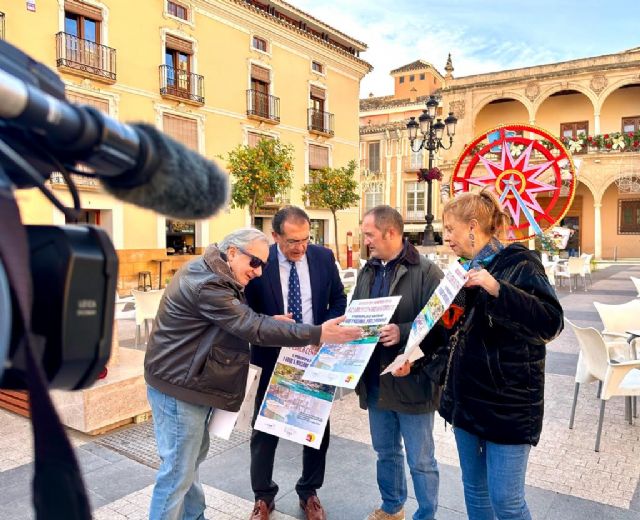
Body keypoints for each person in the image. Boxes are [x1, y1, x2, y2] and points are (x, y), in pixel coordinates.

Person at [144, 228, 362, 520]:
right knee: (178, 472)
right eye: (255, 263)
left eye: (264, 264)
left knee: (188, 465)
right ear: (232, 252)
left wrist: (266, 321)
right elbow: (251, 326)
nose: (259, 272)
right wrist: (317, 333)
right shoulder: (208, 283)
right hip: (178, 388)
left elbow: (241, 319)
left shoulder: (214, 271)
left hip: (187, 381)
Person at [436, 189, 563, 519]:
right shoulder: (463, 271)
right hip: (467, 401)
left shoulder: (521, 263)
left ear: (473, 226)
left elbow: (550, 323)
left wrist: (498, 290)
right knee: (475, 491)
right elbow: (446, 329)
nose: (445, 237)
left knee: (507, 501)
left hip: (508, 405)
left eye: (450, 228)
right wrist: (413, 356)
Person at [244, 206, 346, 520]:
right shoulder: (259, 261)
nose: (300, 247)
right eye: (292, 241)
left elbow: (339, 299)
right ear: (275, 237)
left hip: (314, 357)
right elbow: (242, 309)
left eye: (305, 239)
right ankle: (263, 497)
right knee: (264, 430)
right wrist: (265, 323)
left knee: (316, 429)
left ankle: (309, 493)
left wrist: (323, 332)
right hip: (271, 356)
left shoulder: (323, 258)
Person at [352, 205, 445, 520]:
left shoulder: (428, 272)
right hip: (377, 381)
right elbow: (357, 313)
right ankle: (392, 508)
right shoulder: (368, 270)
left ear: (390, 233)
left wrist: (403, 332)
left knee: (421, 460)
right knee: (385, 453)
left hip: (413, 382)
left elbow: (443, 324)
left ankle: (427, 514)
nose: (367, 241)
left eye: (370, 234)